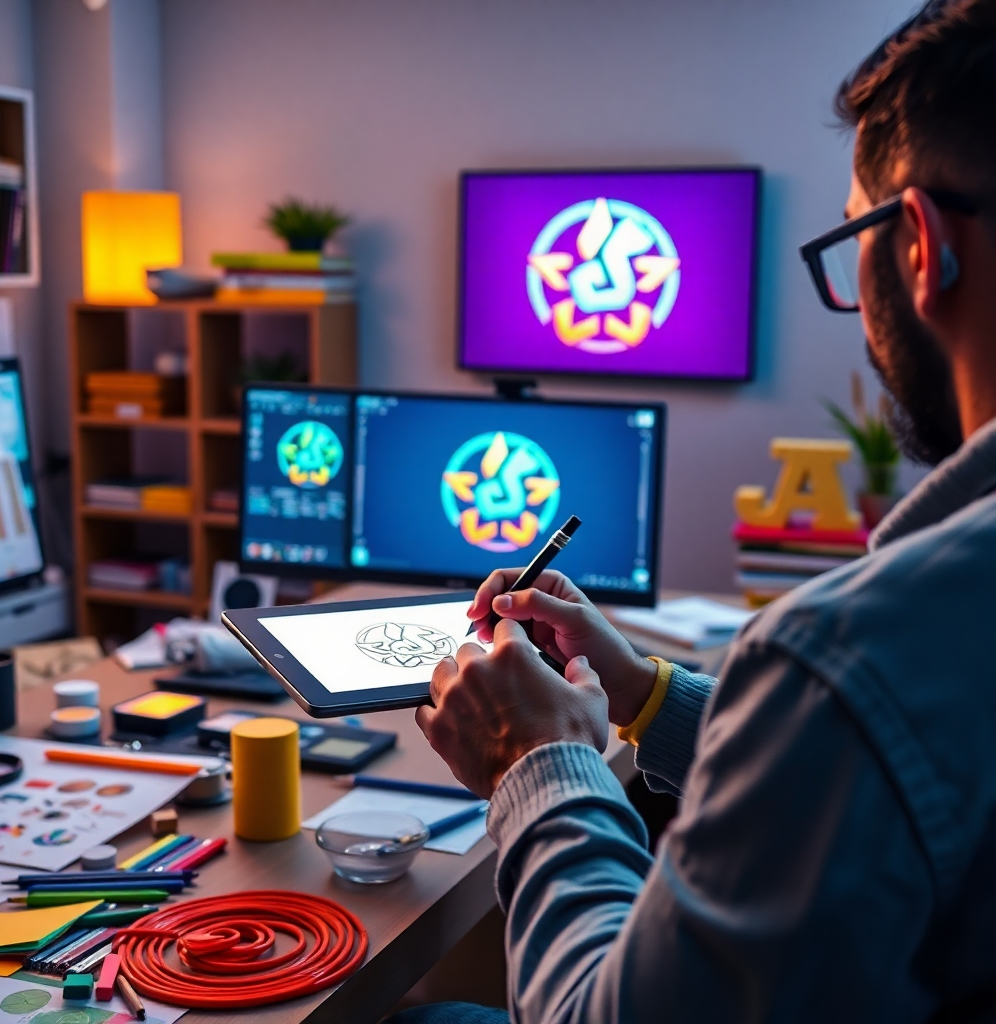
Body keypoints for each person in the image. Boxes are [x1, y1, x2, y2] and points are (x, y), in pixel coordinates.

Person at [387, 1, 996, 1021]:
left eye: (853, 237)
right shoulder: (878, 671)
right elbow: (885, 766)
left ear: (919, 247)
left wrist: (540, 763)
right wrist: (638, 687)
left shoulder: (848, 655)